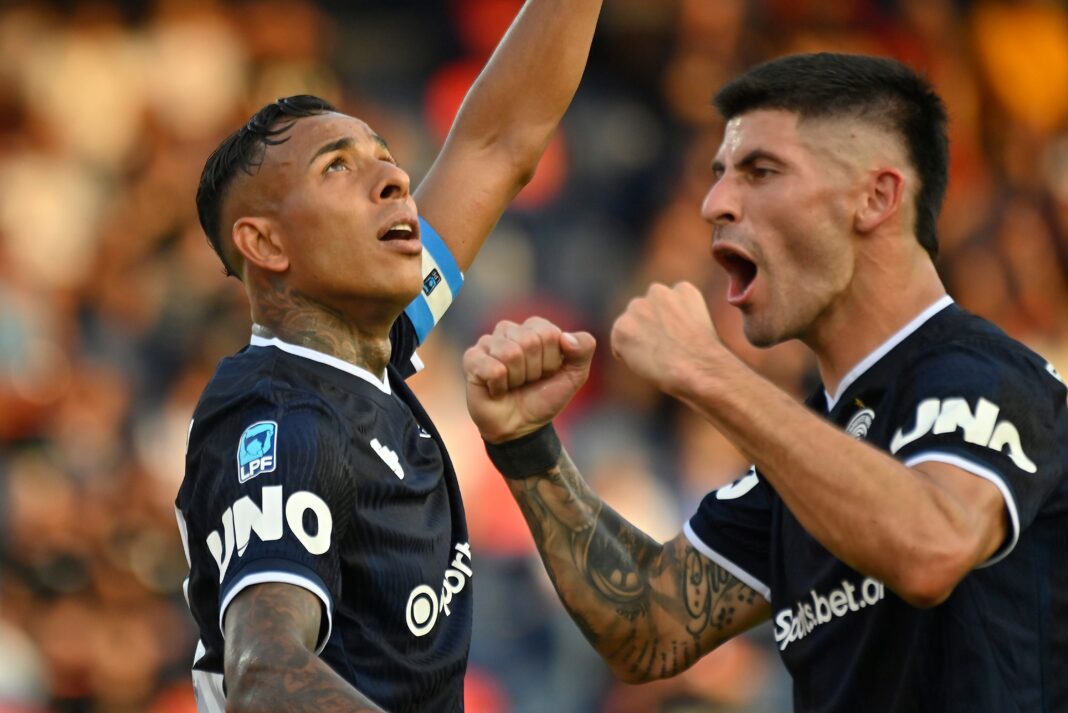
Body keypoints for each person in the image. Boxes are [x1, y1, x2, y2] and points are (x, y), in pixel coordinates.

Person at [462, 53, 1068, 712]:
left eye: (761, 171)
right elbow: (647, 627)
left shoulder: (986, 375)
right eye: (720, 174)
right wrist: (528, 446)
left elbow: (931, 548)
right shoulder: (811, 454)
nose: (715, 202)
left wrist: (707, 368)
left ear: (876, 197)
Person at [173, 1, 603, 711]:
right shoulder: (283, 418)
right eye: (338, 167)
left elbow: (499, 142)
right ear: (267, 244)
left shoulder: (368, 348)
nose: (396, 180)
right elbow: (266, 670)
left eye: (386, 157)